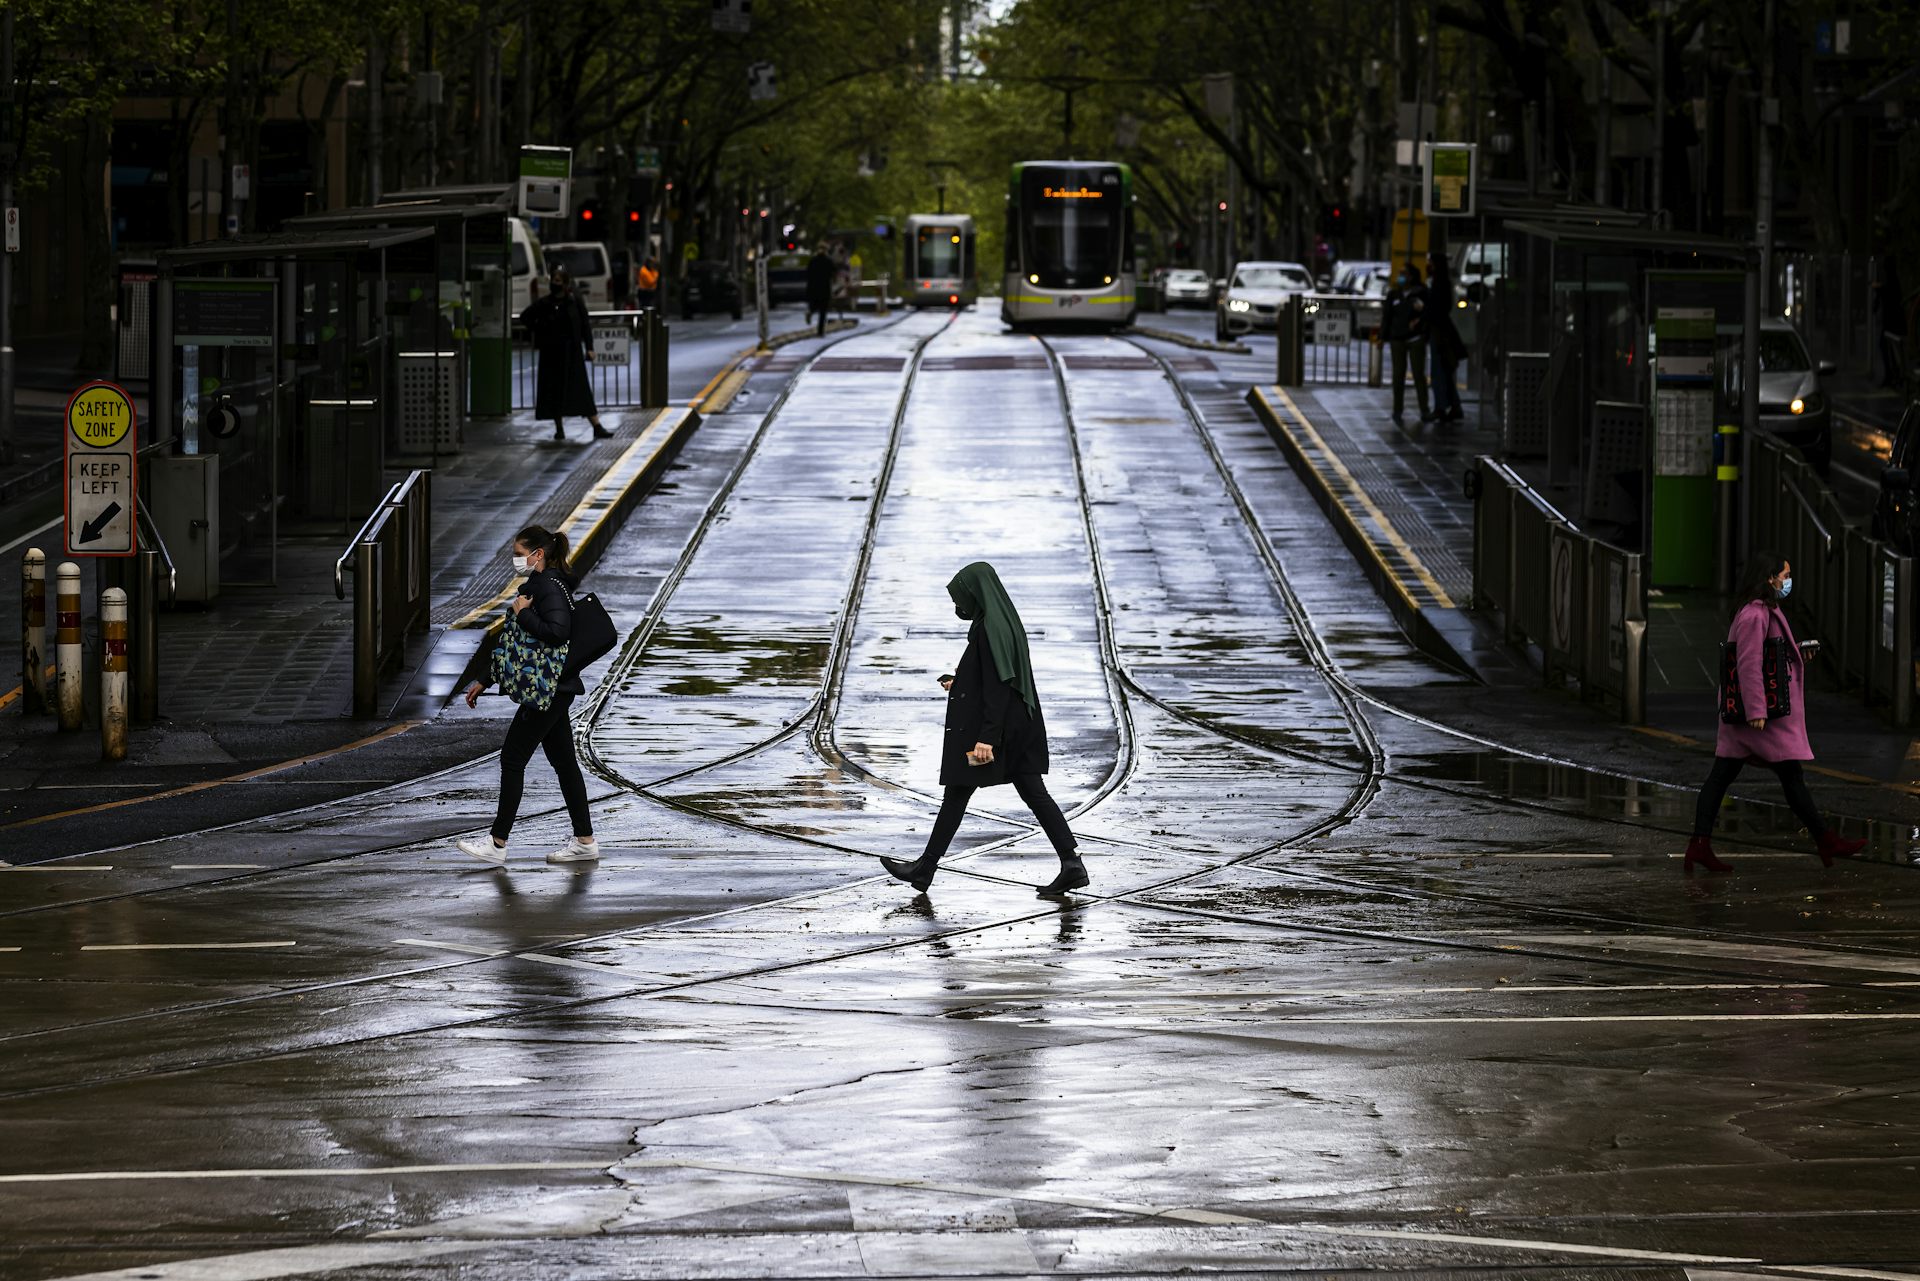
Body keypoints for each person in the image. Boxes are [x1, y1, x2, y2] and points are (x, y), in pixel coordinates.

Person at [880, 562, 1087, 898]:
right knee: (1027, 793)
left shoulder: (990, 628)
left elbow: (999, 686)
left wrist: (987, 739)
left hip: (1001, 729)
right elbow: (994, 678)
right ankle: (1071, 863)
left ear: (975, 594)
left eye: (961, 598)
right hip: (1020, 724)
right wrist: (961, 683)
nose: (958, 607)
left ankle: (925, 868)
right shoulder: (1002, 620)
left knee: (961, 792)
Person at [1682, 551, 1867, 873]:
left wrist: (1797, 655)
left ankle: (1700, 846)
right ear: (1769, 578)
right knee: (1785, 777)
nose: (1787, 581)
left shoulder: (1763, 610)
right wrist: (1756, 710)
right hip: (1758, 718)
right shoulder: (1756, 615)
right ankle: (1826, 841)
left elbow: (1765, 655)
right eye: (1785, 575)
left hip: (1755, 717)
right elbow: (1749, 663)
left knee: (1728, 776)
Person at [456, 525, 601, 866]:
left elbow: (556, 633)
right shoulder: (546, 585)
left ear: (538, 555)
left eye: (520, 554)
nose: (516, 560)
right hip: (555, 689)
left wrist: (523, 613)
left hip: (547, 692)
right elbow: (520, 647)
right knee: (565, 763)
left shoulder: (547, 588)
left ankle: (497, 842)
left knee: (513, 758)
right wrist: (486, 678)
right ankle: (585, 841)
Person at [519, 266, 612, 443]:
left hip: (572, 352)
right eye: (553, 280)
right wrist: (541, 331)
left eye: (558, 281)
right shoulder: (545, 303)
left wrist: (590, 347)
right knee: (555, 391)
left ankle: (596, 426)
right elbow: (526, 317)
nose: (555, 284)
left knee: (581, 389)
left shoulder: (574, 302)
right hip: (552, 354)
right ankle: (559, 428)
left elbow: (585, 324)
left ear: (566, 284)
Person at [1382, 263, 1431, 422]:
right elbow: (1387, 316)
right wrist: (1383, 336)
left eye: (1404, 273)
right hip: (1397, 338)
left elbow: (1427, 313)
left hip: (1415, 338)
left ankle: (1424, 409)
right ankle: (1397, 410)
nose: (1400, 276)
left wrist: (1420, 327)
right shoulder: (1394, 294)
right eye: (1400, 273)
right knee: (1398, 376)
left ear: (1412, 276)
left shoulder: (1421, 293)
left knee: (1418, 375)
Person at [1425, 253, 1465, 422]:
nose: (1428, 266)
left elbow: (1438, 308)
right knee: (1445, 371)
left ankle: (1441, 407)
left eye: (1430, 263)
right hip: (1442, 330)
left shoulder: (1439, 283)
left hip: (1440, 332)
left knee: (1439, 371)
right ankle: (1454, 406)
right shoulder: (1441, 282)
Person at [805, 243, 836, 336]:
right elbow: (833, 273)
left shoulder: (813, 261)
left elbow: (808, 273)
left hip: (813, 288)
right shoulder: (828, 261)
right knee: (823, 310)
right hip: (825, 288)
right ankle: (820, 331)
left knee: (814, 305)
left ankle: (810, 311)